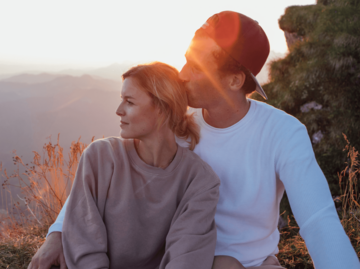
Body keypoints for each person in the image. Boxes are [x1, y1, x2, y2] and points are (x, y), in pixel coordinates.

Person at [29, 11, 360, 269]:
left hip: (245, 263)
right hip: (172, 258)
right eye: (186, 58)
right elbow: (102, 173)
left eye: (197, 66)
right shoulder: (176, 124)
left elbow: (319, 221)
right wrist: (57, 233)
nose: (182, 73)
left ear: (233, 80)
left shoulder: (282, 133)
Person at [28, 62, 220, 269]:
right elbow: (84, 241)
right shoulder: (100, 157)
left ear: (163, 108)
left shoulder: (200, 181)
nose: (119, 111)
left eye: (129, 102)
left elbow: (187, 258)